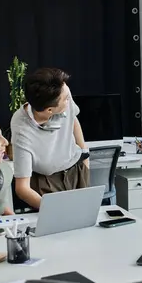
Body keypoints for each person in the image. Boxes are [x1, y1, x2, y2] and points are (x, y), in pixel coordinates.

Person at [11, 68, 89, 210]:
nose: (69, 100)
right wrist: (51, 210)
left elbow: (73, 119)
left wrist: (85, 155)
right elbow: (22, 188)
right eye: (65, 100)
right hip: (47, 184)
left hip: (76, 171)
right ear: (49, 111)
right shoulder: (22, 128)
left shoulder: (63, 92)